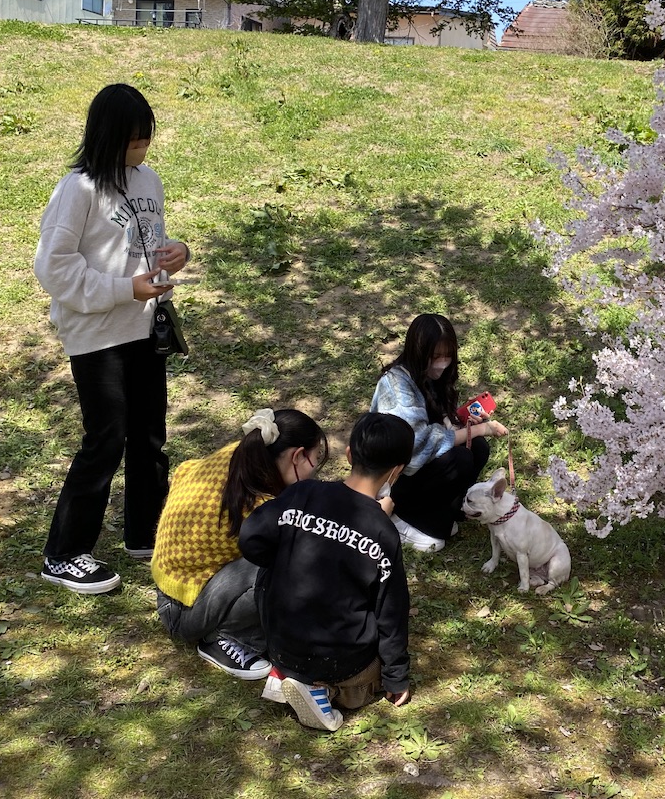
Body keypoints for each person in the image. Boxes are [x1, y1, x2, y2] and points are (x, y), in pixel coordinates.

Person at [33, 83, 190, 594]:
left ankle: (145, 532)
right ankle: (64, 552)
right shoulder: (77, 189)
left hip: (144, 325)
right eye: (133, 141)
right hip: (96, 334)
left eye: (146, 140)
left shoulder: (148, 180)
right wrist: (126, 287)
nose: (142, 150)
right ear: (107, 137)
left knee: (149, 435)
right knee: (106, 439)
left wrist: (175, 252)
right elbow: (54, 268)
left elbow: (141, 241)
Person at [241, 412, 416, 732]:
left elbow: (250, 539)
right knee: (368, 676)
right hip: (339, 662)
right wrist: (396, 676)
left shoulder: (301, 493)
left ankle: (284, 673)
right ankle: (322, 690)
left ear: (349, 454)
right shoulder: (381, 532)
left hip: (280, 642)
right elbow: (391, 612)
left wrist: (283, 564)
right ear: (397, 471)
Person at [152, 408, 327, 680]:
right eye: (315, 459)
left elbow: (185, 470)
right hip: (183, 611)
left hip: (173, 587)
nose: (315, 469)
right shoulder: (261, 506)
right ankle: (227, 638)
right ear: (297, 456)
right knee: (286, 565)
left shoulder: (241, 455)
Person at [369, 314, 507, 552]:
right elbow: (416, 445)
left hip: (421, 470)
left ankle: (445, 510)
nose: (443, 363)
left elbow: (442, 424)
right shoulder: (397, 386)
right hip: (395, 476)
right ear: (419, 353)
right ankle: (401, 517)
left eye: (447, 355)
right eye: (436, 356)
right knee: (461, 457)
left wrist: (463, 424)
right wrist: (477, 429)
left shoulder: (432, 377)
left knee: (478, 447)